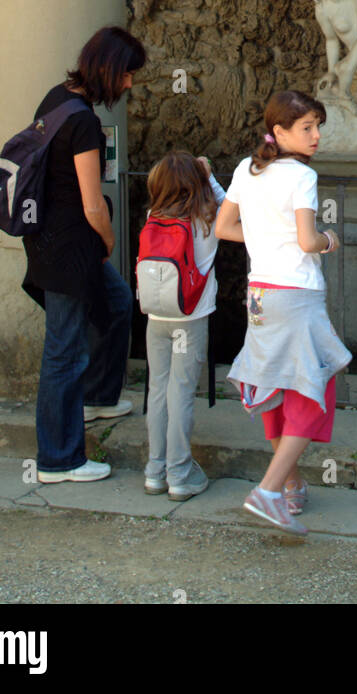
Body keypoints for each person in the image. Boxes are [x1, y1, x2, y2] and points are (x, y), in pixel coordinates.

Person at [214, 90, 351, 538]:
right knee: (314, 393)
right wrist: (330, 240)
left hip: (259, 295)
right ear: (279, 132)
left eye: (318, 126)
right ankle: (269, 491)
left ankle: (290, 485)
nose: (315, 136)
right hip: (296, 294)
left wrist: (263, 241)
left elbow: (223, 228)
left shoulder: (246, 170)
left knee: (274, 387)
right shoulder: (300, 177)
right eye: (306, 128)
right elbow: (308, 241)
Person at [24, 25, 147, 484]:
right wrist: (110, 240)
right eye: (128, 74)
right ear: (111, 69)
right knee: (63, 350)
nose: (130, 84)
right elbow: (92, 201)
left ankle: (97, 399)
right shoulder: (82, 122)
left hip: (51, 240)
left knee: (116, 305)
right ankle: (59, 460)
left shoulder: (56, 98)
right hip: (70, 247)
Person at [139, 151, 227, 500]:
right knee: (181, 394)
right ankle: (179, 474)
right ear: (196, 183)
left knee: (157, 391)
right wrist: (210, 176)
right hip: (190, 319)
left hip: (156, 317)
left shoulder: (152, 216)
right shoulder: (206, 219)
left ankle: (154, 471)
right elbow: (235, 208)